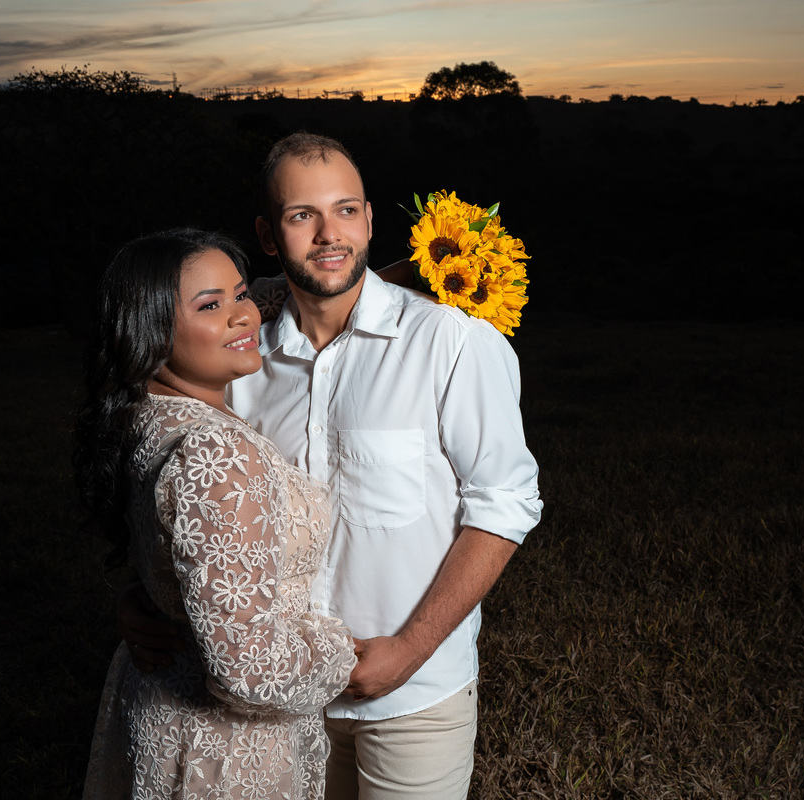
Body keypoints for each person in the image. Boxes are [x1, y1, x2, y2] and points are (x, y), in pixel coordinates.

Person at [119, 133, 543, 799]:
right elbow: (178, 487)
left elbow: (506, 503)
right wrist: (146, 594)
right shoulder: (240, 353)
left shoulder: (450, 338)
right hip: (272, 709)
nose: (328, 235)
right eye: (301, 216)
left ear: (371, 219)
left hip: (414, 694)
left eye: (345, 211)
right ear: (267, 233)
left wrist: (408, 652)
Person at [75, 228, 358, 800]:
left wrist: (390, 276)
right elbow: (248, 669)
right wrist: (346, 657)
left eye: (240, 293)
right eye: (211, 305)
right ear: (149, 329)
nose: (242, 315)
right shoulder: (219, 452)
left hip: (163, 713)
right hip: (227, 752)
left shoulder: (144, 413)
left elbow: (260, 299)